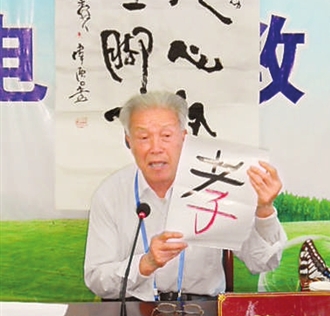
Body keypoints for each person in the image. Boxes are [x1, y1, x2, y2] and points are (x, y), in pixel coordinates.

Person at [84, 91, 287, 301]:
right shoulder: (110, 194)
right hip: (133, 308)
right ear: (129, 141)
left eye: (166, 136)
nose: (155, 148)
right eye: (144, 137)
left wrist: (264, 209)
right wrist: (145, 264)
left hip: (202, 309)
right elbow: (97, 279)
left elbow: (263, 262)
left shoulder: (216, 183)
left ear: (184, 137)